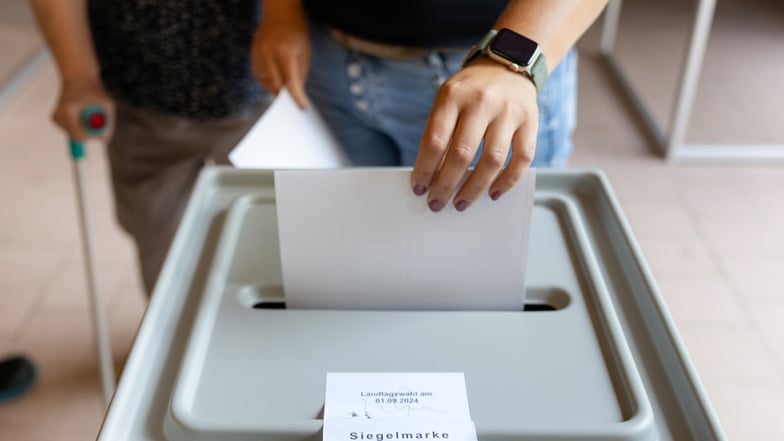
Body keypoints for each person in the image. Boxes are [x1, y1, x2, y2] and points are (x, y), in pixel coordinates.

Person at [252, 0, 607, 212]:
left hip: (488, 77)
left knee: (483, 275)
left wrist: (511, 58)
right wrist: (280, 12)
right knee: (353, 249)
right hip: (323, 55)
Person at [29, 0, 272, 295]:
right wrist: (79, 77)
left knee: (269, 242)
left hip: (264, 89)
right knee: (160, 246)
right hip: (139, 93)